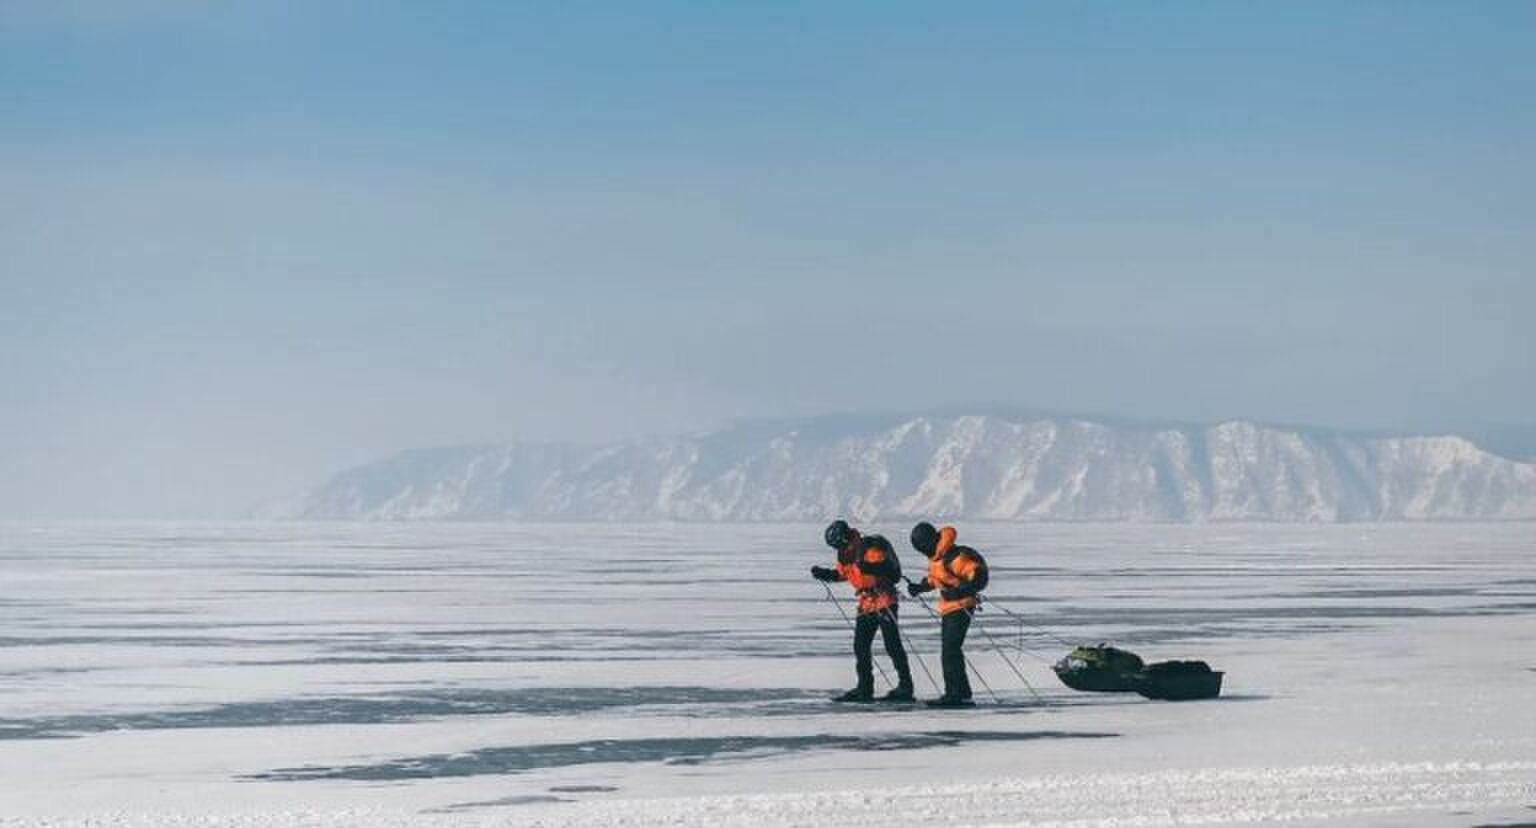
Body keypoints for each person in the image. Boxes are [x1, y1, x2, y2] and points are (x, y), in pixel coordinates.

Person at [811, 519, 915, 702]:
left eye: (837, 544)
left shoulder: (868, 548)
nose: (836, 549)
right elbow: (842, 574)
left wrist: (870, 567)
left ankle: (905, 687)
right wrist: (824, 574)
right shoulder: (845, 554)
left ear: (843, 538)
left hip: (884, 600)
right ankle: (864, 689)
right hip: (866, 603)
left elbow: (886, 568)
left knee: (892, 644)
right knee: (861, 647)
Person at [906, 522, 989, 707]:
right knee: (950, 651)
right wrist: (919, 587)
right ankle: (960, 693)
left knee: (950, 651)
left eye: (923, 547)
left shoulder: (954, 557)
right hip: (950, 607)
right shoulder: (937, 558)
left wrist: (960, 592)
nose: (923, 552)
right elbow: (936, 579)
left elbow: (978, 575)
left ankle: (956, 695)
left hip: (962, 606)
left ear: (930, 541)